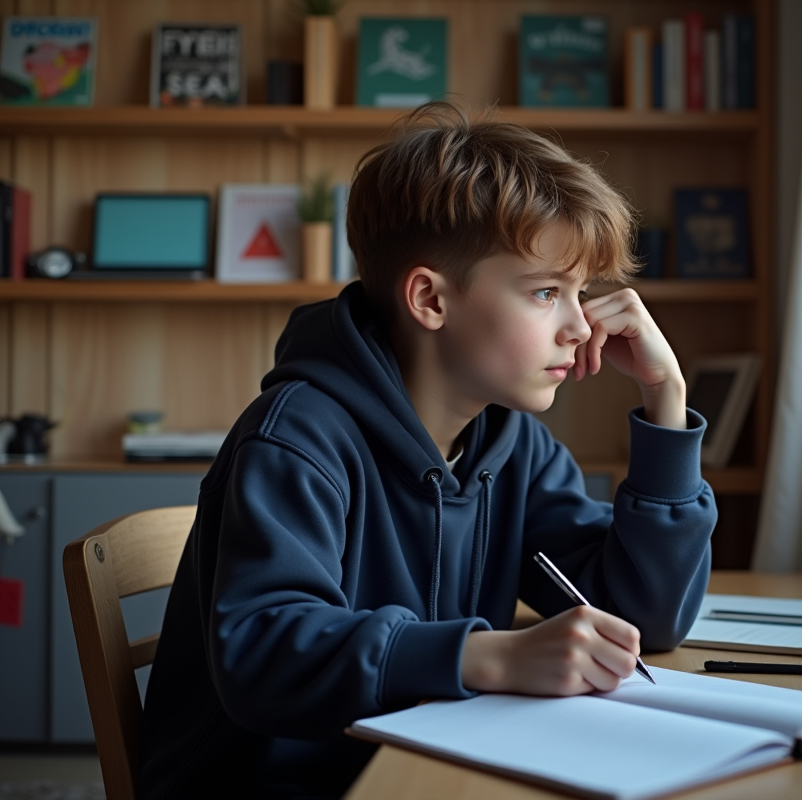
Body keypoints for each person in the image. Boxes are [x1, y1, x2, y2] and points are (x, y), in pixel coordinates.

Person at [139, 101, 717, 799]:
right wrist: (485, 657)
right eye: (545, 292)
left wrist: (667, 401)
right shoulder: (296, 438)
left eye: (581, 293)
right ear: (430, 300)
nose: (579, 326)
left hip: (422, 766)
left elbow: (647, 618)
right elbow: (263, 654)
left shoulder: (512, 443)